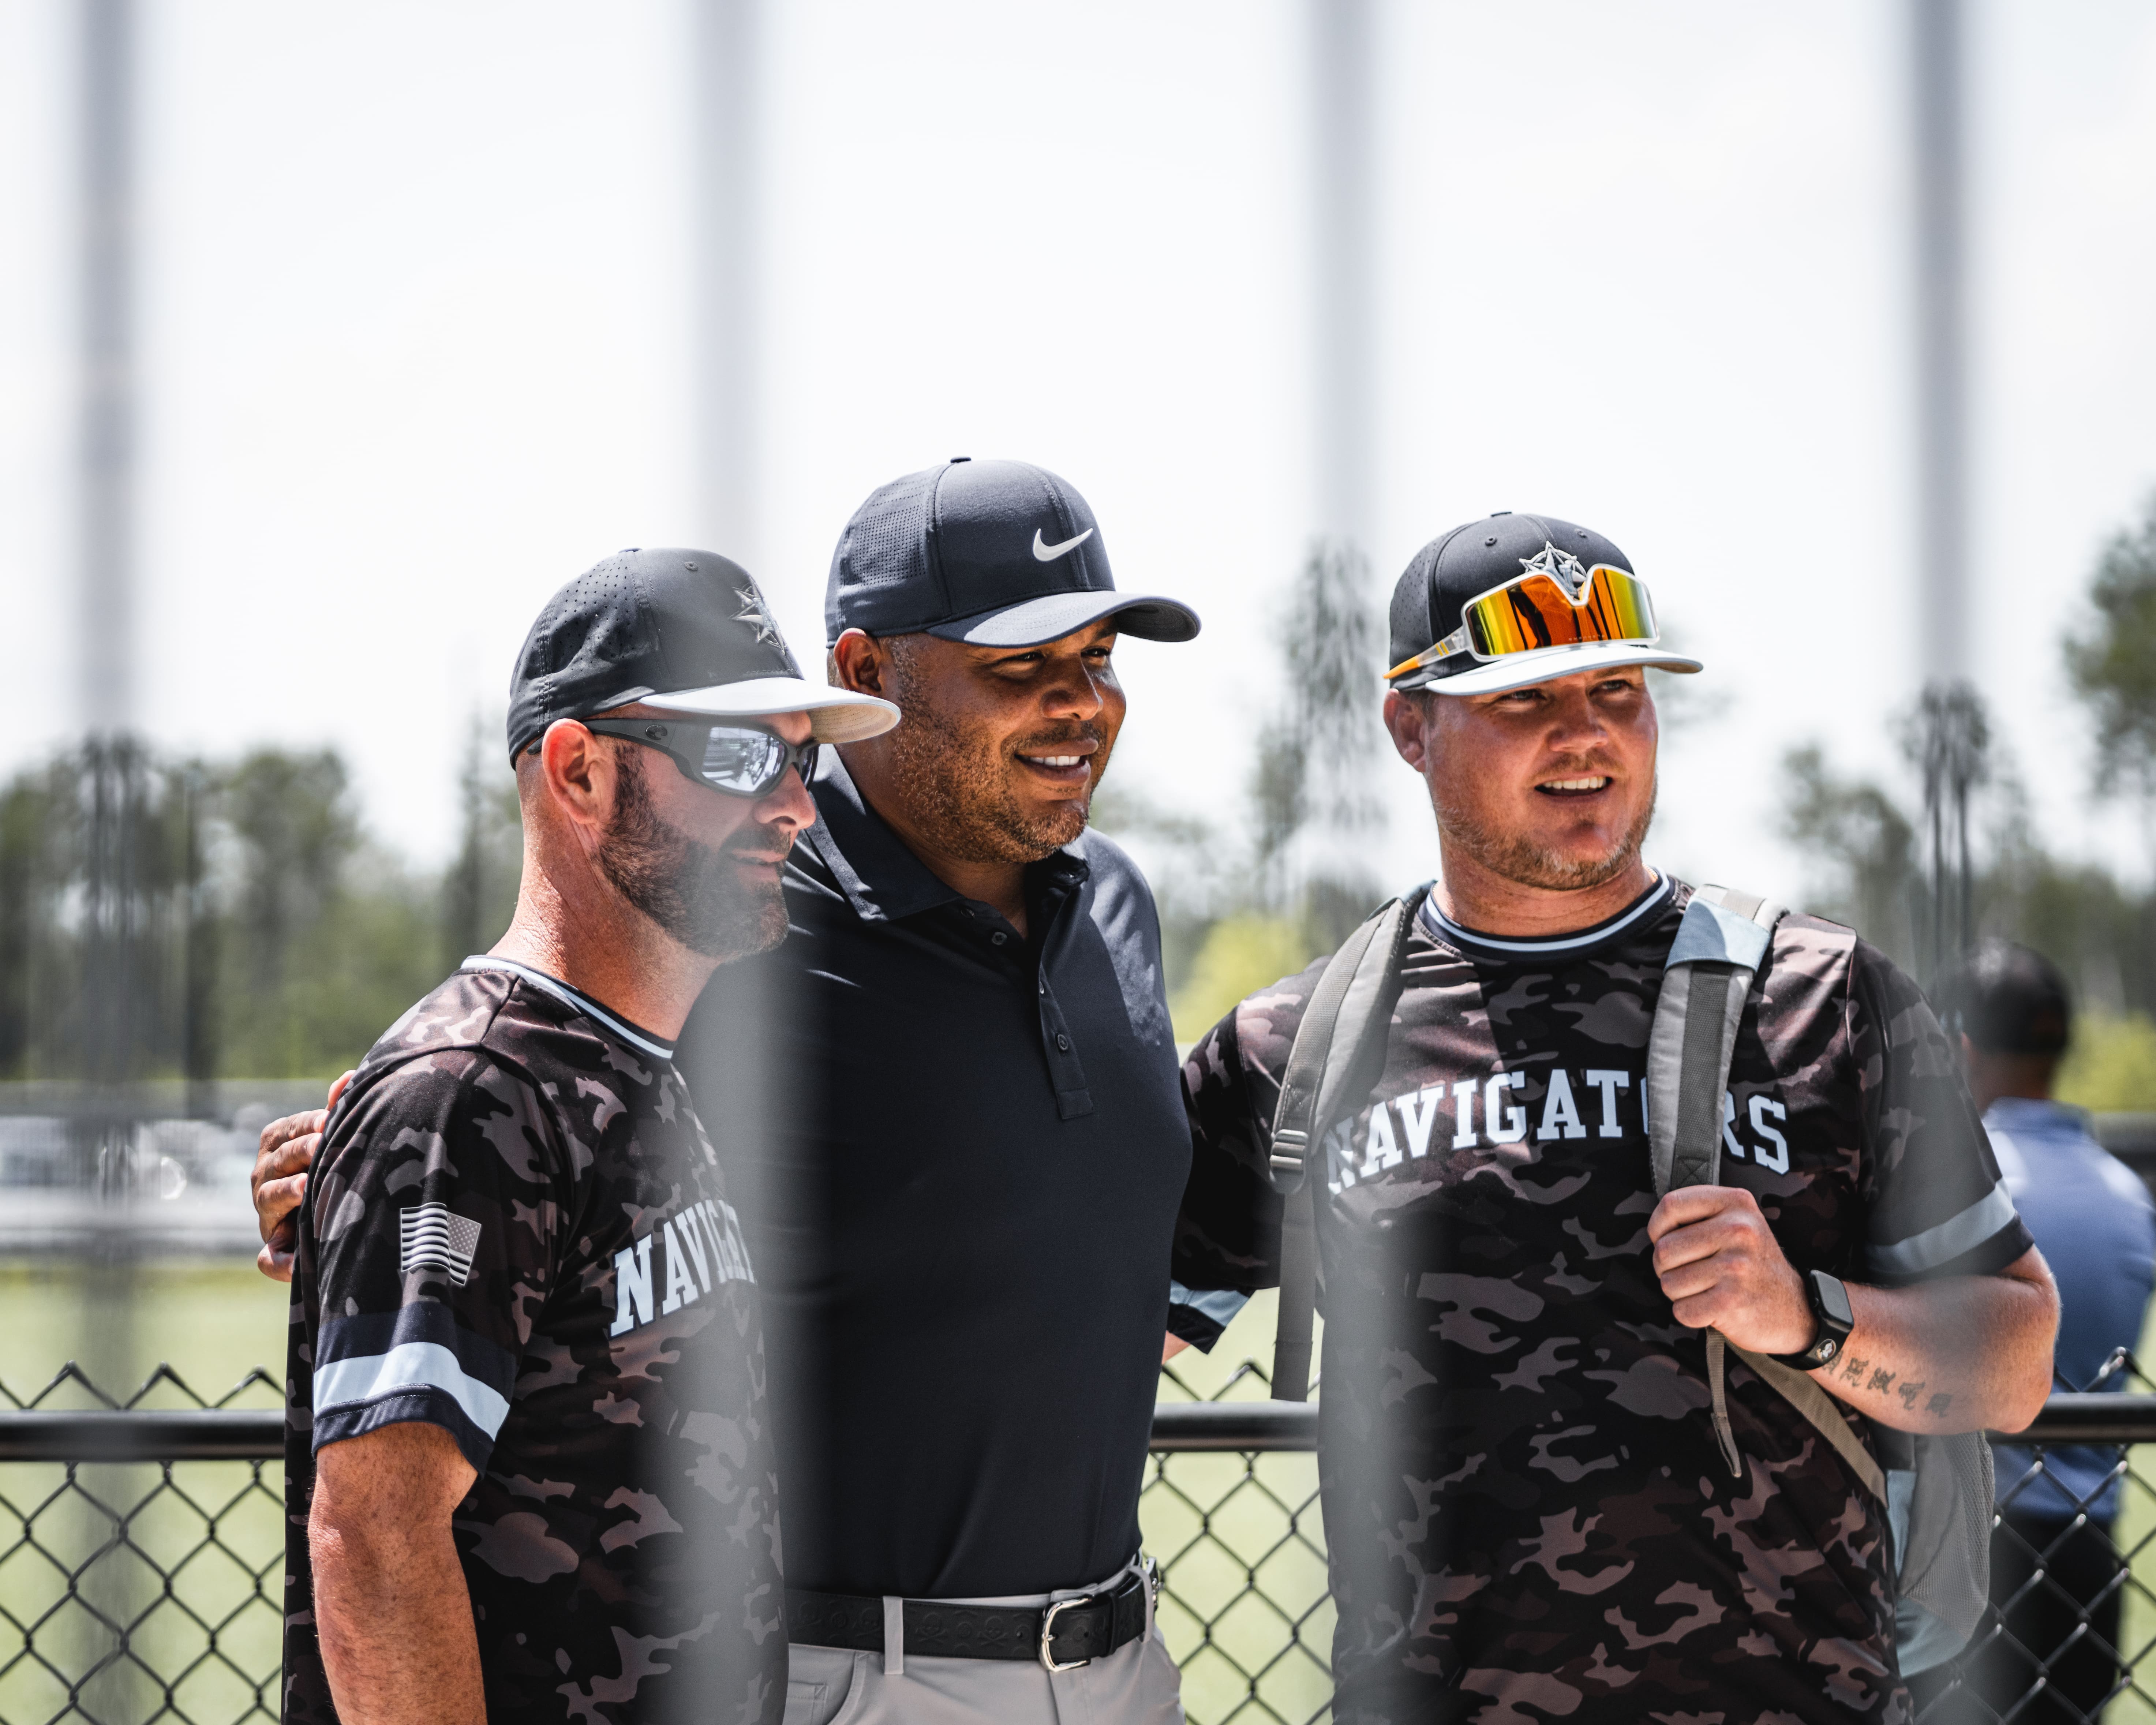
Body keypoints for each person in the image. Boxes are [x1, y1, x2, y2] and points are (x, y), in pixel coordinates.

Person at [258, 459, 1208, 1725]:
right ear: (872, 671)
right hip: (851, 1670)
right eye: (1020, 664)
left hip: (1114, 1658)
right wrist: (343, 1177)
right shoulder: (735, 937)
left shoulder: (1115, 903)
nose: (1080, 704)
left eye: (1098, 659)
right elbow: (485, 1083)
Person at [1170, 511, 2060, 1724]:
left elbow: (2015, 1359)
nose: (1585, 732)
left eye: (1618, 690)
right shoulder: (1298, 1047)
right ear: (1409, 727)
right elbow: (1096, 1354)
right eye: (1526, 697)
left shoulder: (1825, 996)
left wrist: (1806, 1315)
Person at [276, 550, 897, 1725]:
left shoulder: (634, 1066)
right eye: (738, 753)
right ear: (579, 771)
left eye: (801, 756)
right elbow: (372, 1533)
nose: (793, 804)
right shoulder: (465, 1090)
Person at [1915, 941, 2155, 1724]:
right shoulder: (2127, 1195)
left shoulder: (1957, 1183)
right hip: (2091, 1557)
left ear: (1959, 1050)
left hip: (1968, 1553)